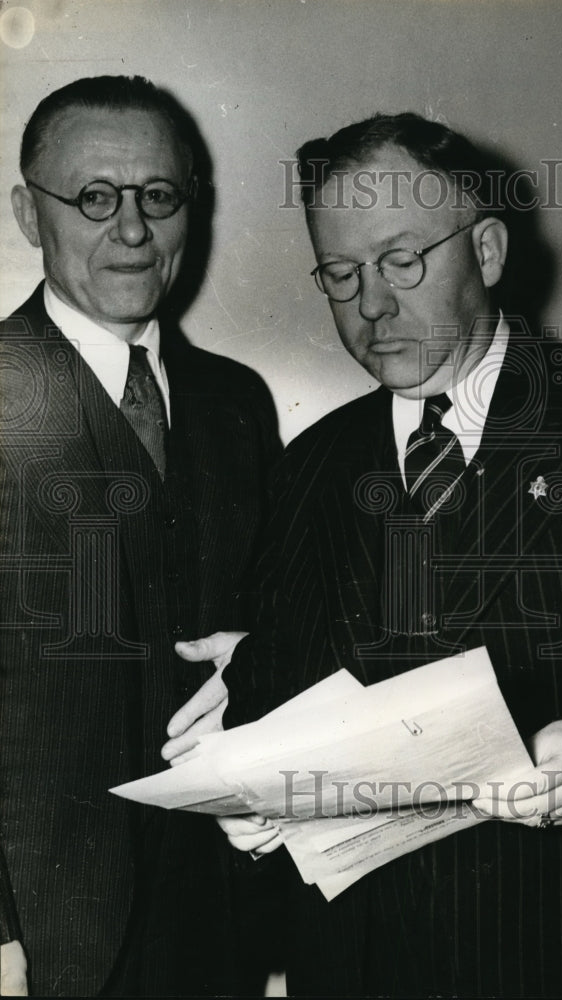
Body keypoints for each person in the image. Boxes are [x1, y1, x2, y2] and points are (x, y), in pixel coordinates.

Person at [164, 113, 562, 997]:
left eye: (401, 261)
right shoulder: (308, 467)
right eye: (340, 276)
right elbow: (287, 680)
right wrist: (252, 789)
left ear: (486, 252)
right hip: (354, 964)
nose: (370, 304)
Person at [0, 76, 282, 997]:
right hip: (44, 942)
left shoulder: (238, 404)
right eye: (93, 198)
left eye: (157, 197)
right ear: (27, 214)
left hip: (227, 919)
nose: (131, 231)